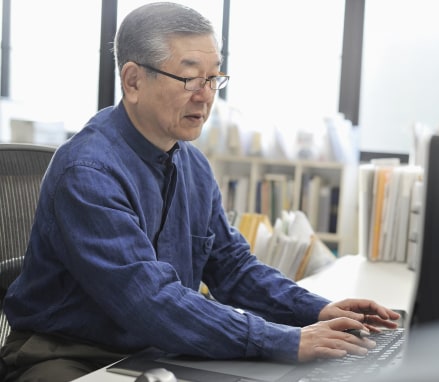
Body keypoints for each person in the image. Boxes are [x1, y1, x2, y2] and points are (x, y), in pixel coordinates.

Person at [0, 2, 400, 381]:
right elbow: (148, 300)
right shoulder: (87, 172)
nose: (206, 95)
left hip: (155, 348)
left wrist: (317, 311)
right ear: (134, 80)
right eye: (190, 77)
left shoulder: (191, 162)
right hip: (68, 354)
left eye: (213, 78)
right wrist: (284, 340)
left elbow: (232, 267)